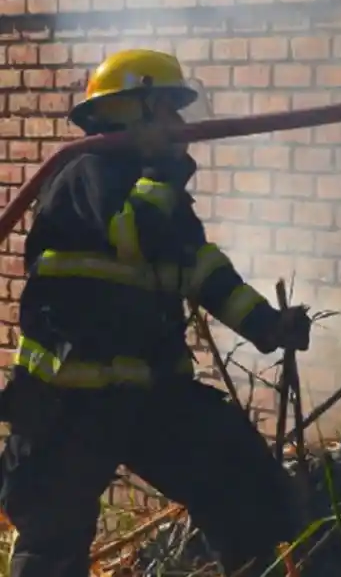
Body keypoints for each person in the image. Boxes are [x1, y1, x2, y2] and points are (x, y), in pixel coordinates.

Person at [0, 49, 313, 576]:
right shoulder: (85, 173)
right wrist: (164, 170)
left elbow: (202, 268)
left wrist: (265, 324)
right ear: (133, 111)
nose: (181, 125)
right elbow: (133, 235)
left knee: (243, 486)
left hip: (149, 393)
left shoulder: (159, 190)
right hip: (69, 399)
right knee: (52, 539)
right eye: (169, 109)